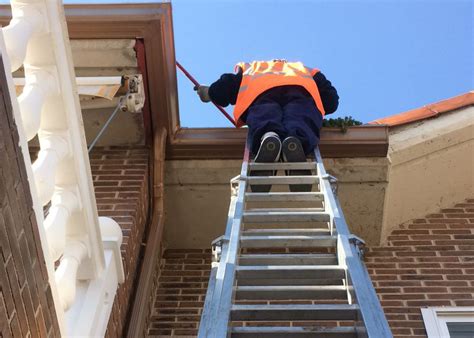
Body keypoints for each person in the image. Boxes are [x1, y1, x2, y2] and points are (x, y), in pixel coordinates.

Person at [195, 59, 339, 192]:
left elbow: (228, 84)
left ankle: (269, 138)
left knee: (264, 115)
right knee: (301, 117)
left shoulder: (252, 68)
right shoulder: (305, 69)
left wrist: (209, 92)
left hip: (260, 94)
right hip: (300, 93)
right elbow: (330, 99)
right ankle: (296, 143)